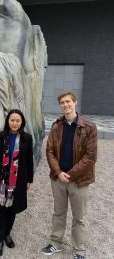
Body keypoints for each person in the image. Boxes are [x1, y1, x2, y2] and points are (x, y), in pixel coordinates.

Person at [41, 91, 97, 259]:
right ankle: (55, 243)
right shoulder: (56, 125)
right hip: (58, 179)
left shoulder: (89, 127)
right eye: (62, 103)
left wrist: (70, 175)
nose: (65, 105)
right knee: (58, 213)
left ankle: (78, 250)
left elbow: (90, 156)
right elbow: (50, 150)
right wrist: (58, 172)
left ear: (75, 102)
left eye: (68, 102)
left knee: (78, 217)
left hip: (79, 180)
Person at [0, 109, 34, 257]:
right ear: (8, 121)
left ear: (22, 122)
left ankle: (7, 234)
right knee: (0, 210)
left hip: (18, 181)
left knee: (12, 209)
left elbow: (29, 161)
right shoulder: (1, 136)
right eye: (12, 120)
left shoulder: (27, 138)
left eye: (17, 121)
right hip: (1, 180)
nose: (14, 123)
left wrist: (29, 179)